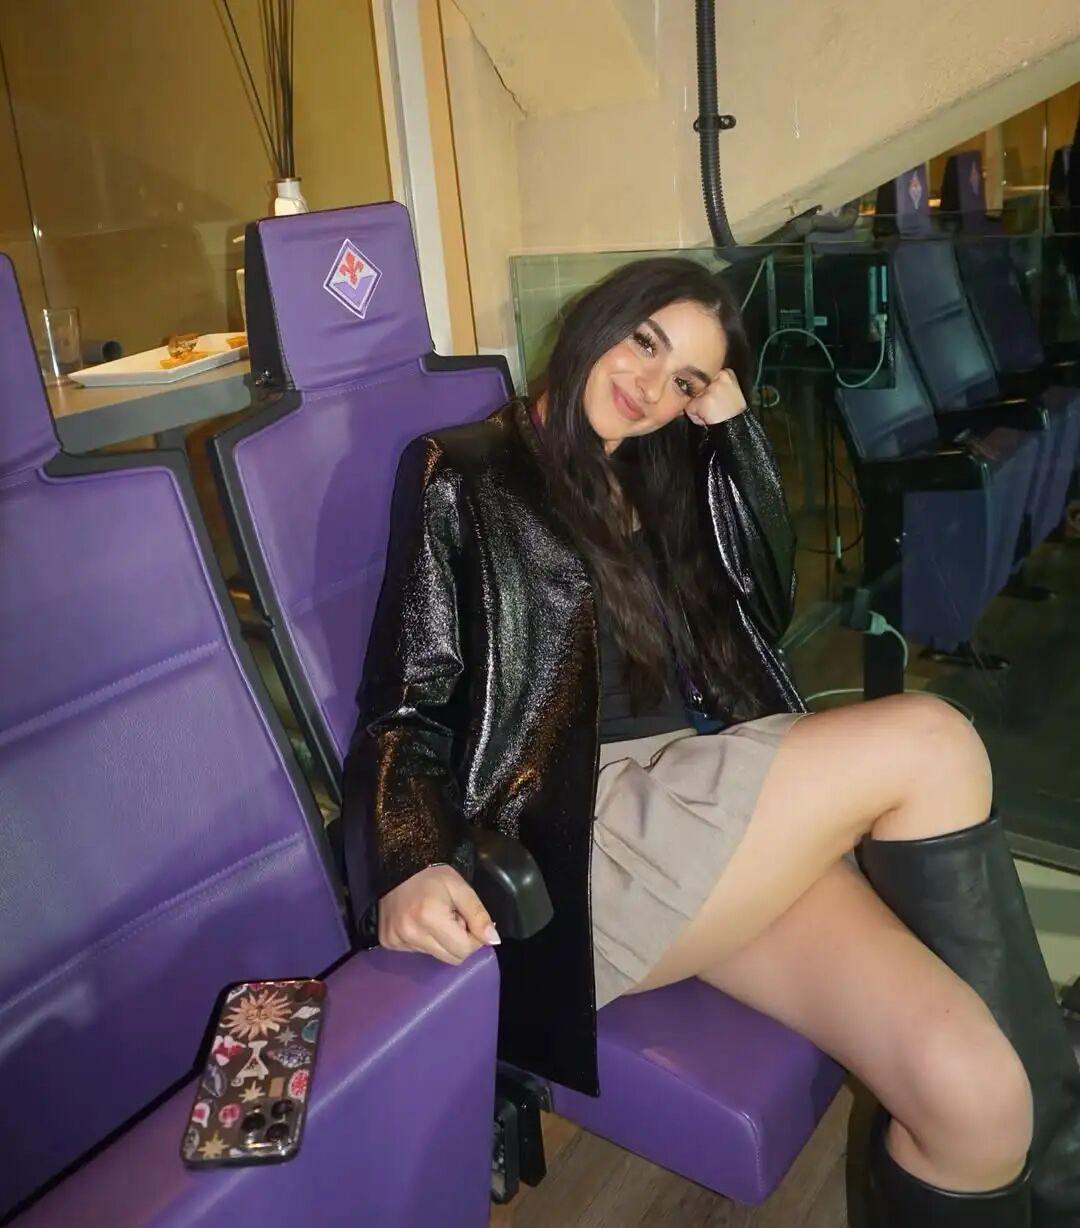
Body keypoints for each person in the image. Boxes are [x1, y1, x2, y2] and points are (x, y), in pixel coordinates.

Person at [342, 258, 1078, 1226]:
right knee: (933, 740)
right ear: (597, 318)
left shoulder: (654, 474)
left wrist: (731, 431)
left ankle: (1048, 1130)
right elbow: (406, 698)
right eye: (645, 342)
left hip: (697, 809)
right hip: (580, 837)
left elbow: (763, 598)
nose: (652, 385)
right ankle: (1070, 1136)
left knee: (977, 1102)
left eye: (684, 378)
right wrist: (408, 860)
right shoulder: (468, 469)